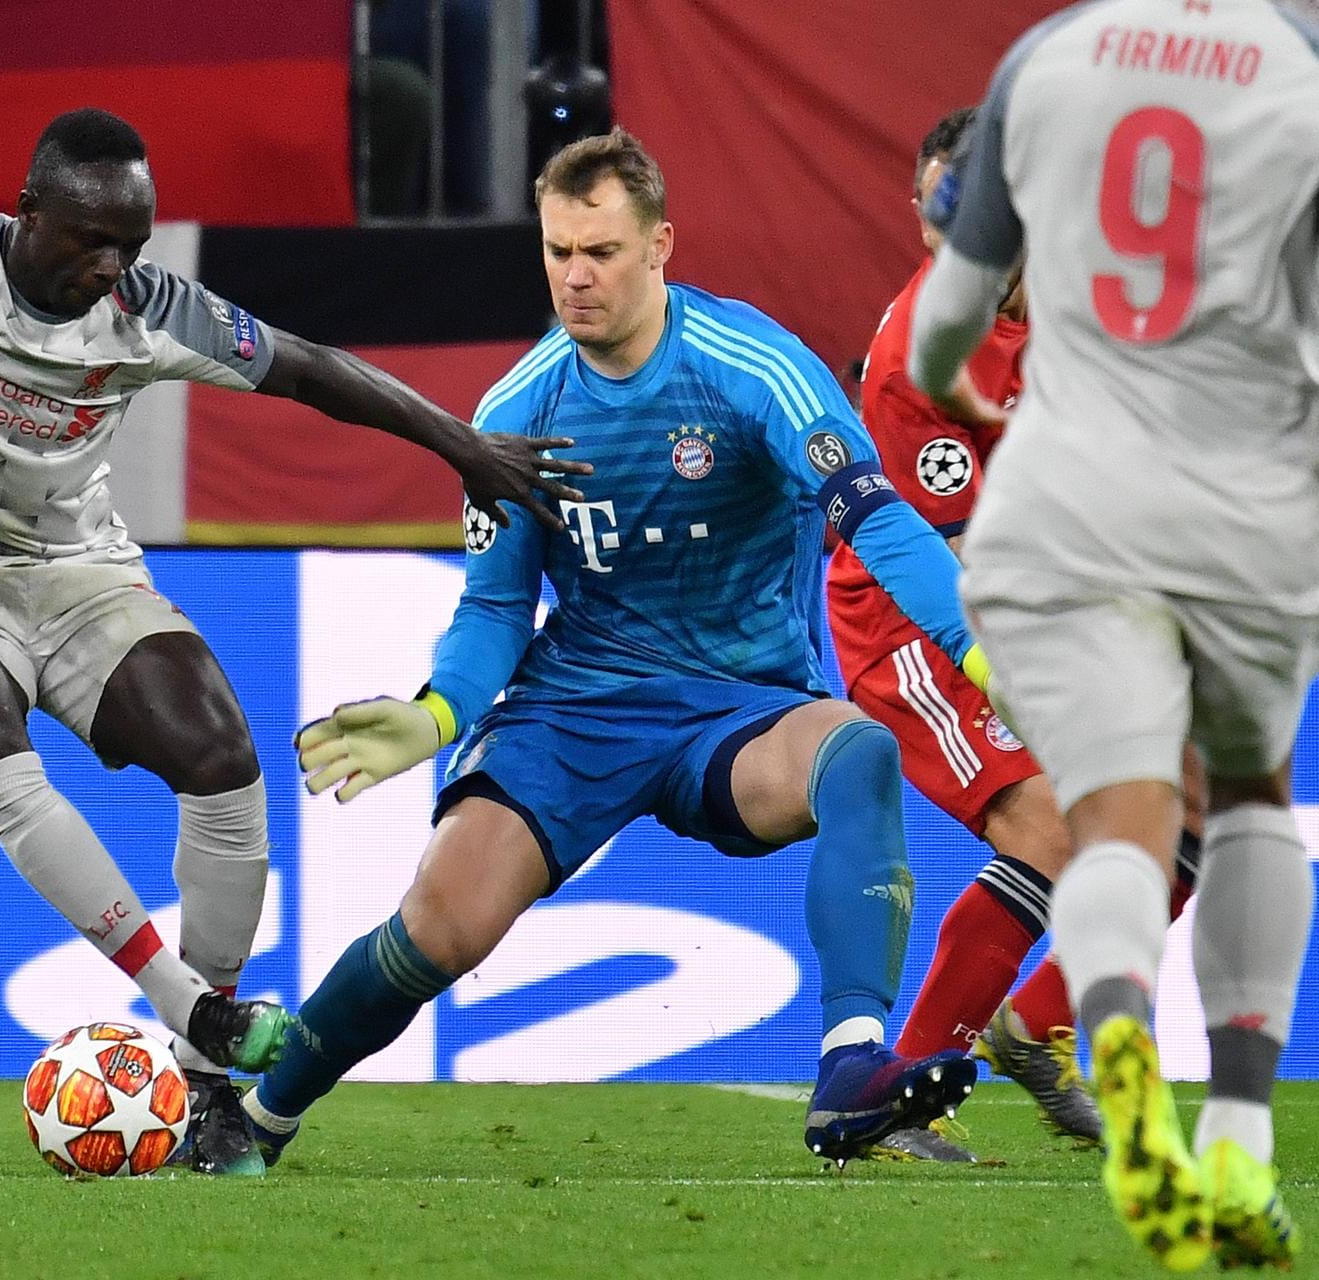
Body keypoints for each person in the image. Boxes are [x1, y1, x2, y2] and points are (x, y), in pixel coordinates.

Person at [0, 108, 586, 1178]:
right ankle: (194, 1010)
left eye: (134, 244)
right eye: (93, 240)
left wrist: (459, 445)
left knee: (220, 752)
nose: (113, 266)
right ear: (28, 213)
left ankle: (205, 1094)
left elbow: (311, 368)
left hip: (81, 575)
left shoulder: (152, 311)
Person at [243, 127, 989, 1168]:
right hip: (575, 709)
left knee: (857, 749)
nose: (576, 276)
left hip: (742, 703)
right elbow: (498, 610)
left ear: (660, 245)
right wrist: (435, 712)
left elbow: (877, 520)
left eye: (600, 250)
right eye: (558, 251)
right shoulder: (515, 412)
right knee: (440, 926)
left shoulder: (756, 367)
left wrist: (986, 653)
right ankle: (254, 1118)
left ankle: (852, 1068)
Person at [911, 0, 1319, 1265]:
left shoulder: (1047, 56)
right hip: (1253, 497)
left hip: (1065, 496)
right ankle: (1240, 1136)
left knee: (1117, 814)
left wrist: (961, 388)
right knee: (1249, 799)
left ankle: (1111, 1038)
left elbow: (948, 320)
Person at [826, 108, 1206, 1159]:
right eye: (941, 208)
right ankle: (899, 1096)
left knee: (1191, 812)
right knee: (1046, 825)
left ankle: (1032, 1022)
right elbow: (946, 558)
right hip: (918, 622)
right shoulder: (916, 350)